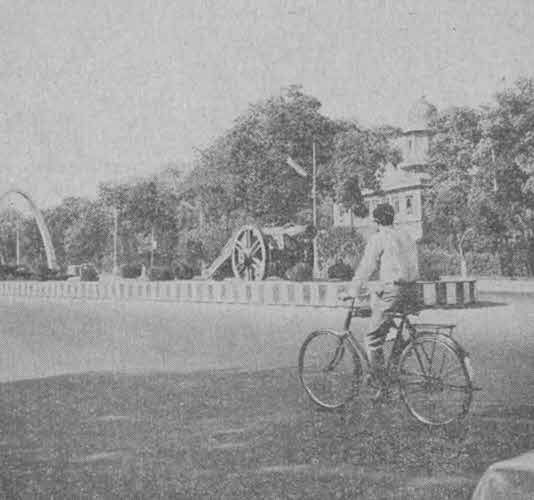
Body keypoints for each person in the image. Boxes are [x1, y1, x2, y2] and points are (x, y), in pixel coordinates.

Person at [343, 202, 419, 391]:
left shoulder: (378, 238)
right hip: (412, 291)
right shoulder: (405, 235)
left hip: (394, 292)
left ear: (376, 222)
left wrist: (353, 290)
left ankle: (381, 384)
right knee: (388, 321)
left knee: (372, 338)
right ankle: (395, 366)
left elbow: (366, 267)